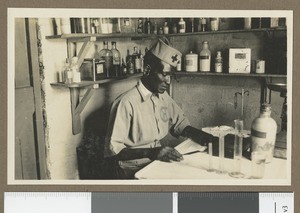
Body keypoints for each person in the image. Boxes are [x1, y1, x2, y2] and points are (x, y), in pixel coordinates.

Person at [104, 38, 217, 179]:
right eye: (164, 74)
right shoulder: (126, 103)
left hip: (156, 162)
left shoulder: (163, 97)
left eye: (170, 76)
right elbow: (114, 153)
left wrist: (208, 138)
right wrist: (151, 152)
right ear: (147, 70)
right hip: (132, 169)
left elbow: (180, 125)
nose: (168, 82)